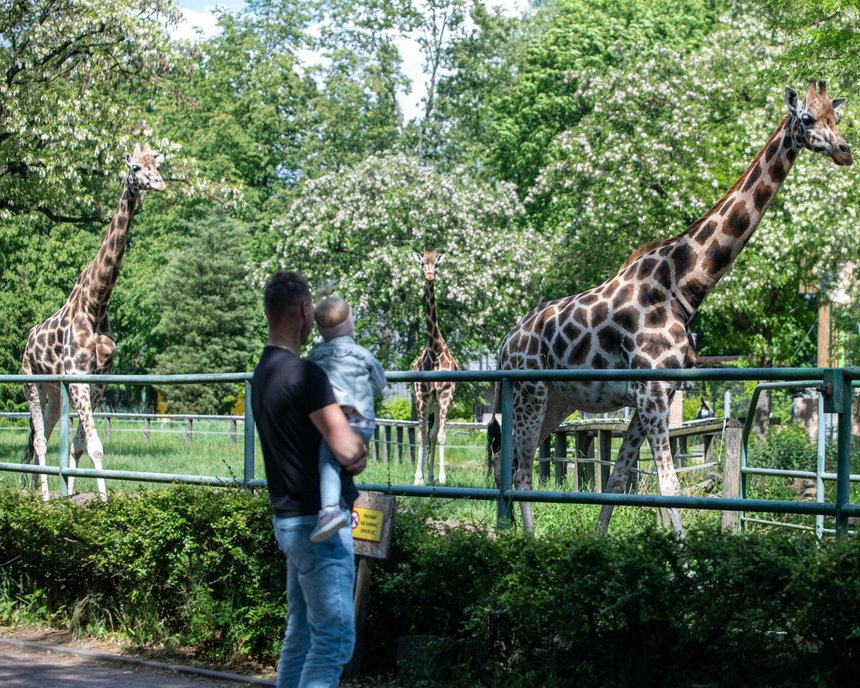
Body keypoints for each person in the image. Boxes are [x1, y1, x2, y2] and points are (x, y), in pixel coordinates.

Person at [251, 271, 367, 688]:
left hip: (288, 523)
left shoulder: (262, 374)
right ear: (304, 310)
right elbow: (349, 453)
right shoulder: (306, 376)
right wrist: (359, 441)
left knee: (299, 635)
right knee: (334, 640)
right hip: (320, 531)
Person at [308, 294, 386, 543]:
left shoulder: (316, 355)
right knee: (341, 463)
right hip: (363, 422)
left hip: (335, 423)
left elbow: (309, 386)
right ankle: (342, 501)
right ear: (351, 322)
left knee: (328, 461)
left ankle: (330, 509)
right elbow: (379, 383)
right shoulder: (362, 354)